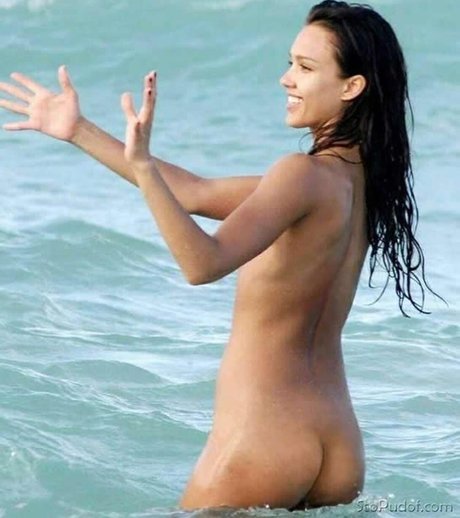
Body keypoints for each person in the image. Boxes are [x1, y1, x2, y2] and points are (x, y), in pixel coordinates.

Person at [0, 0, 446, 511]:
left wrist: (144, 168)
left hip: (266, 440)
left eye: (305, 68)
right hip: (339, 445)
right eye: (290, 63)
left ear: (352, 87)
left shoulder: (299, 175)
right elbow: (195, 193)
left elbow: (202, 264)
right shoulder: (358, 185)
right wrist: (78, 129)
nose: (286, 79)